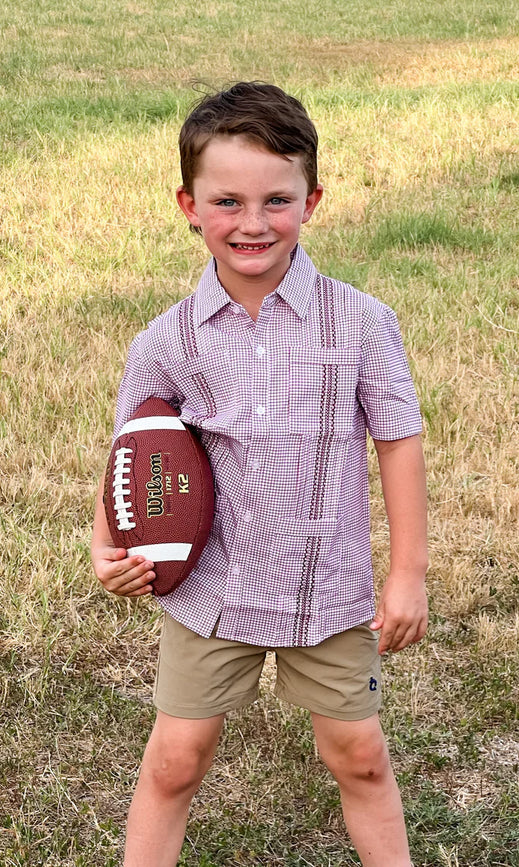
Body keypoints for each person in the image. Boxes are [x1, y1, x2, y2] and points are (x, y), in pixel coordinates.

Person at [91, 81, 428, 867]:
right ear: (189, 204)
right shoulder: (167, 340)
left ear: (312, 200)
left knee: (360, 757)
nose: (252, 223)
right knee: (176, 761)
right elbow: (132, 450)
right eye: (227, 201)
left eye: (277, 199)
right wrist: (106, 545)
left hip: (327, 587)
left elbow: (398, 440)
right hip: (212, 589)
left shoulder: (361, 322)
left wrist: (407, 572)